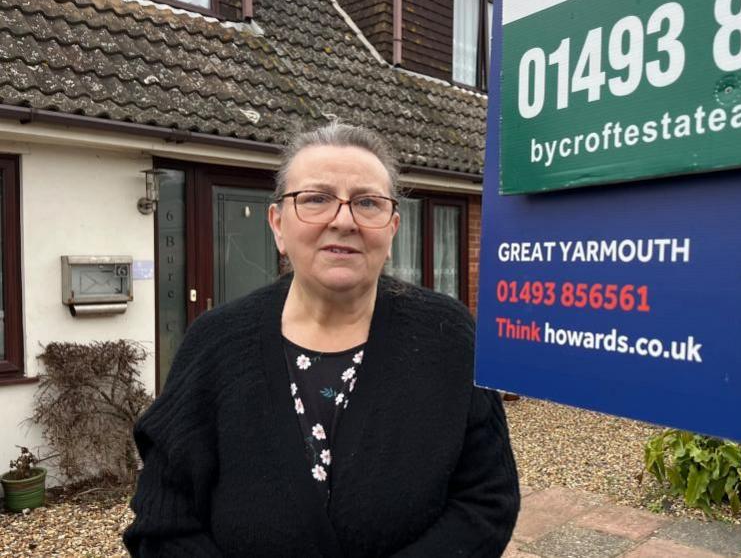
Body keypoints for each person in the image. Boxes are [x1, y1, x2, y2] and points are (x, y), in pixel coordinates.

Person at [124, 122, 520, 557]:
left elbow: (487, 500)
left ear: (392, 229)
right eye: (316, 199)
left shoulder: (449, 336)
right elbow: (164, 521)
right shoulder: (214, 344)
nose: (344, 220)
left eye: (368, 202)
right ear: (277, 224)